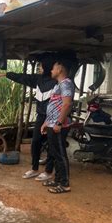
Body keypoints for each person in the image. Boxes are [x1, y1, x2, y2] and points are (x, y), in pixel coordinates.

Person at [0, 54, 57, 181]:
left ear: (47, 67)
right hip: (41, 116)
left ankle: (48, 171)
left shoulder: (57, 83)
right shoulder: (39, 80)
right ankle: (34, 168)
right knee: (35, 141)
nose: (39, 69)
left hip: (53, 117)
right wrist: (8, 74)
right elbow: (23, 77)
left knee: (52, 144)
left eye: (41, 66)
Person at [41, 54, 76, 194]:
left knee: (60, 155)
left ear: (60, 68)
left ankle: (65, 184)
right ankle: (58, 179)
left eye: (53, 67)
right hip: (52, 124)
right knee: (55, 153)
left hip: (58, 127)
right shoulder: (59, 85)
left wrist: (59, 123)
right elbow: (54, 105)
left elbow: (67, 104)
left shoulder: (66, 83)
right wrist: (46, 122)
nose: (51, 70)